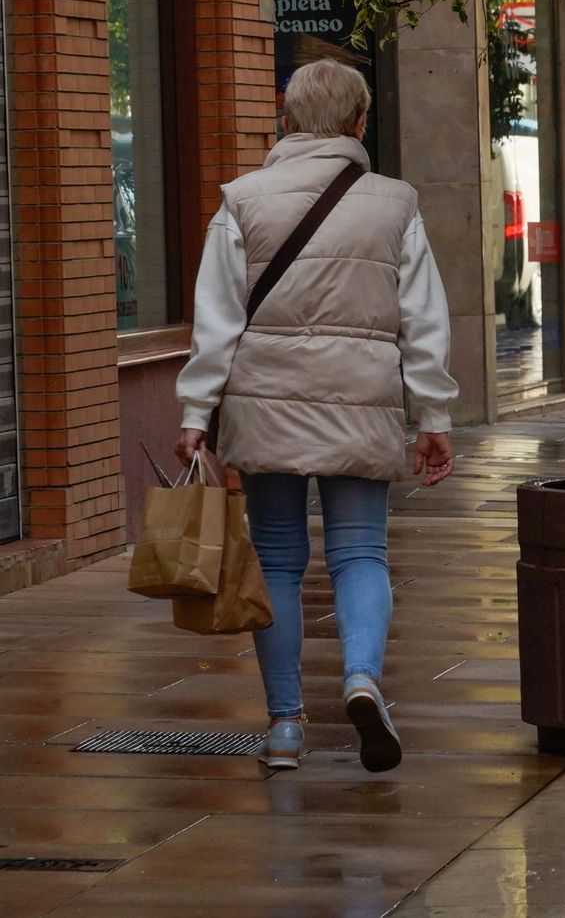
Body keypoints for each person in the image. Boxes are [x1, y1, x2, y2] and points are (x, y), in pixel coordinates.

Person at [174, 59, 459, 773]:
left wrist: (194, 409)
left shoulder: (241, 200)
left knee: (275, 557)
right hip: (361, 399)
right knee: (360, 551)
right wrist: (434, 414)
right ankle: (361, 678)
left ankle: (284, 728)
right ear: (360, 122)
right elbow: (422, 319)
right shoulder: (395, 203)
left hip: (263, 401)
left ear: (286, 117)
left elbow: (216, 319)